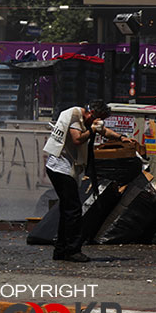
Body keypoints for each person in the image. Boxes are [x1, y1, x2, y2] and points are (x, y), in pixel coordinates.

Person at [43, 100, 134, 263]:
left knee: (67, 210)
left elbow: (104, 131)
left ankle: (61, 250)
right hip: (60, 168)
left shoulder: (86, 119)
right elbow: (77, 139)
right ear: (92, 114)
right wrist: (92, 131)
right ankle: (72, 250)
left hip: (63, 167)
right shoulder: (75, 116)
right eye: (98, 119)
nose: (99, 123)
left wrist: (121, 138)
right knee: (74, 210)